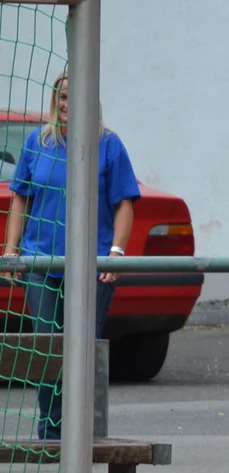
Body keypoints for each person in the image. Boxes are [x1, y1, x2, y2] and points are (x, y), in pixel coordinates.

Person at [3, 67, 141, 441]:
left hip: (91, 266)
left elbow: (125, 202)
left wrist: (114, 254)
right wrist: (12, 249)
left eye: (75, 96)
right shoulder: (37, 142)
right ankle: (50, 431)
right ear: (54, 101)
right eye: (63, 97)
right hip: (41, 263)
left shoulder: (108, 144)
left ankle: (83, 432)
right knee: (48, 347)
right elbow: (20, 196)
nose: (68, 104)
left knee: (82, 347)